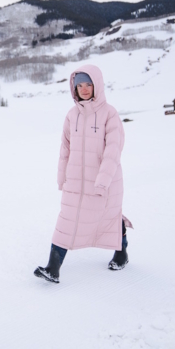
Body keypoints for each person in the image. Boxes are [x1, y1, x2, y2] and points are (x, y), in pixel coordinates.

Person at [34, 64, 131, 283]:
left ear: (97, 85)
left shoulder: (110, 114)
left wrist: (103, 180)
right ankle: (53, 268)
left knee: (109, 217)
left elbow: (113, 150)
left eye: (89, 84)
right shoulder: (71, 115)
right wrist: (62, 179)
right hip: (75, 183)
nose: (85, 89)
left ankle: (121, 253)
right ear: (74, 88)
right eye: (80, 85)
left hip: (104, 182)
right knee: (66, 221)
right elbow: (65, 149)